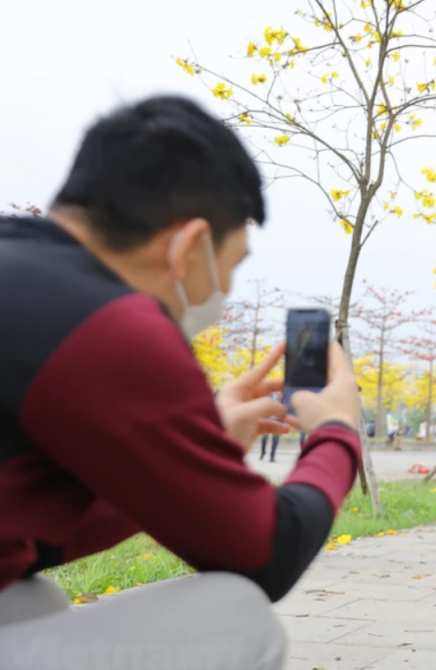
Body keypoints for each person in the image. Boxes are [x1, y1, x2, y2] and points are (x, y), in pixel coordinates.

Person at [0, 96, 364, 669]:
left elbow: (28, 538)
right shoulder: (111, 324)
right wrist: (339, 433)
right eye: (233, 265)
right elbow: (269, 552)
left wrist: (195, 441)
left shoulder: (24, 271)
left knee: (28, 600)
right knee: (234, 615)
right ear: (190, 244)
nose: (224, 291)